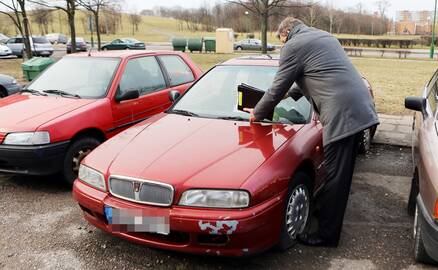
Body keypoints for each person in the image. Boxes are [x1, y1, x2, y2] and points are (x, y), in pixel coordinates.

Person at [245, 17, 379, 247]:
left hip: (342, 114)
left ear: (286, 33)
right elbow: (313, 74)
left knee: (335, 176)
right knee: (341, 174)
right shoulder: (323, 37)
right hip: (359, 107)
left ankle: (327, 235)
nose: (282, 45)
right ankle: (329, 217)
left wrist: (257, 113)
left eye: (281, 40)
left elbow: (278, 86)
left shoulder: (293, 46)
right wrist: (287, 97)